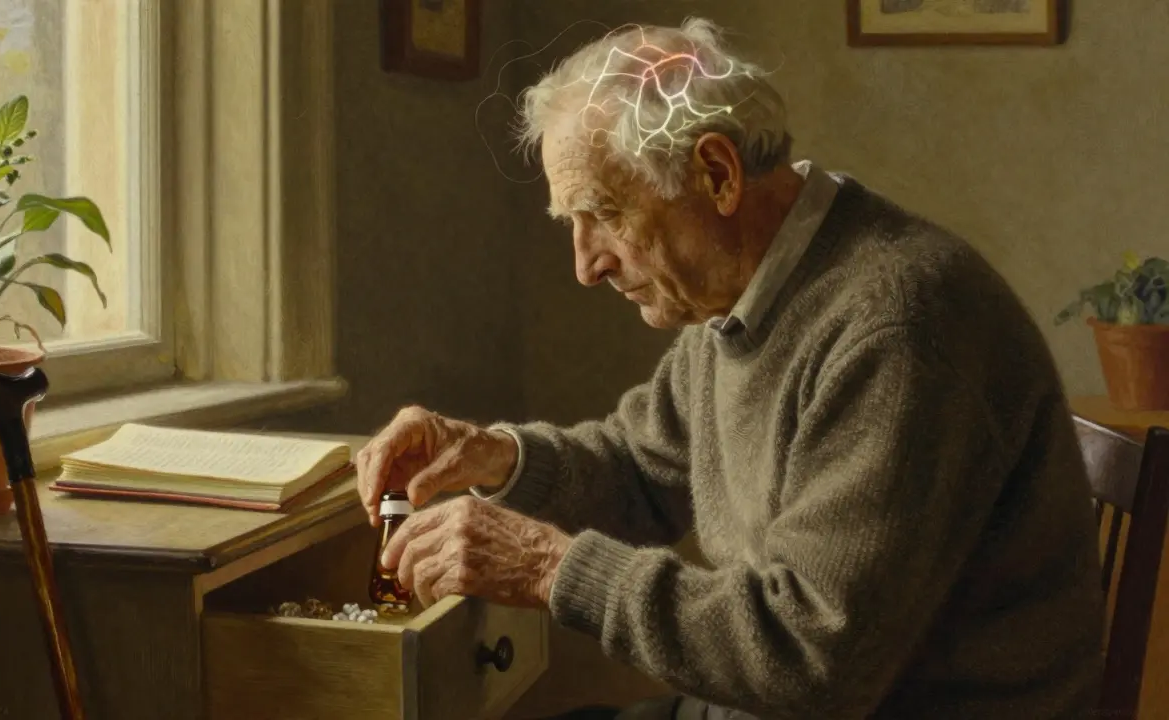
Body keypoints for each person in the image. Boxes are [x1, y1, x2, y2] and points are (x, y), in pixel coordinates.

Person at [355, 17, 1105, 720]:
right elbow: (641, 469)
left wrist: (547, 568)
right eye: (571, 223)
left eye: (605, 214)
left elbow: (812, 658)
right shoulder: (750, 292)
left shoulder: (898, 324)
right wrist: (496, 455)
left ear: (716, 173)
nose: (586, 265)